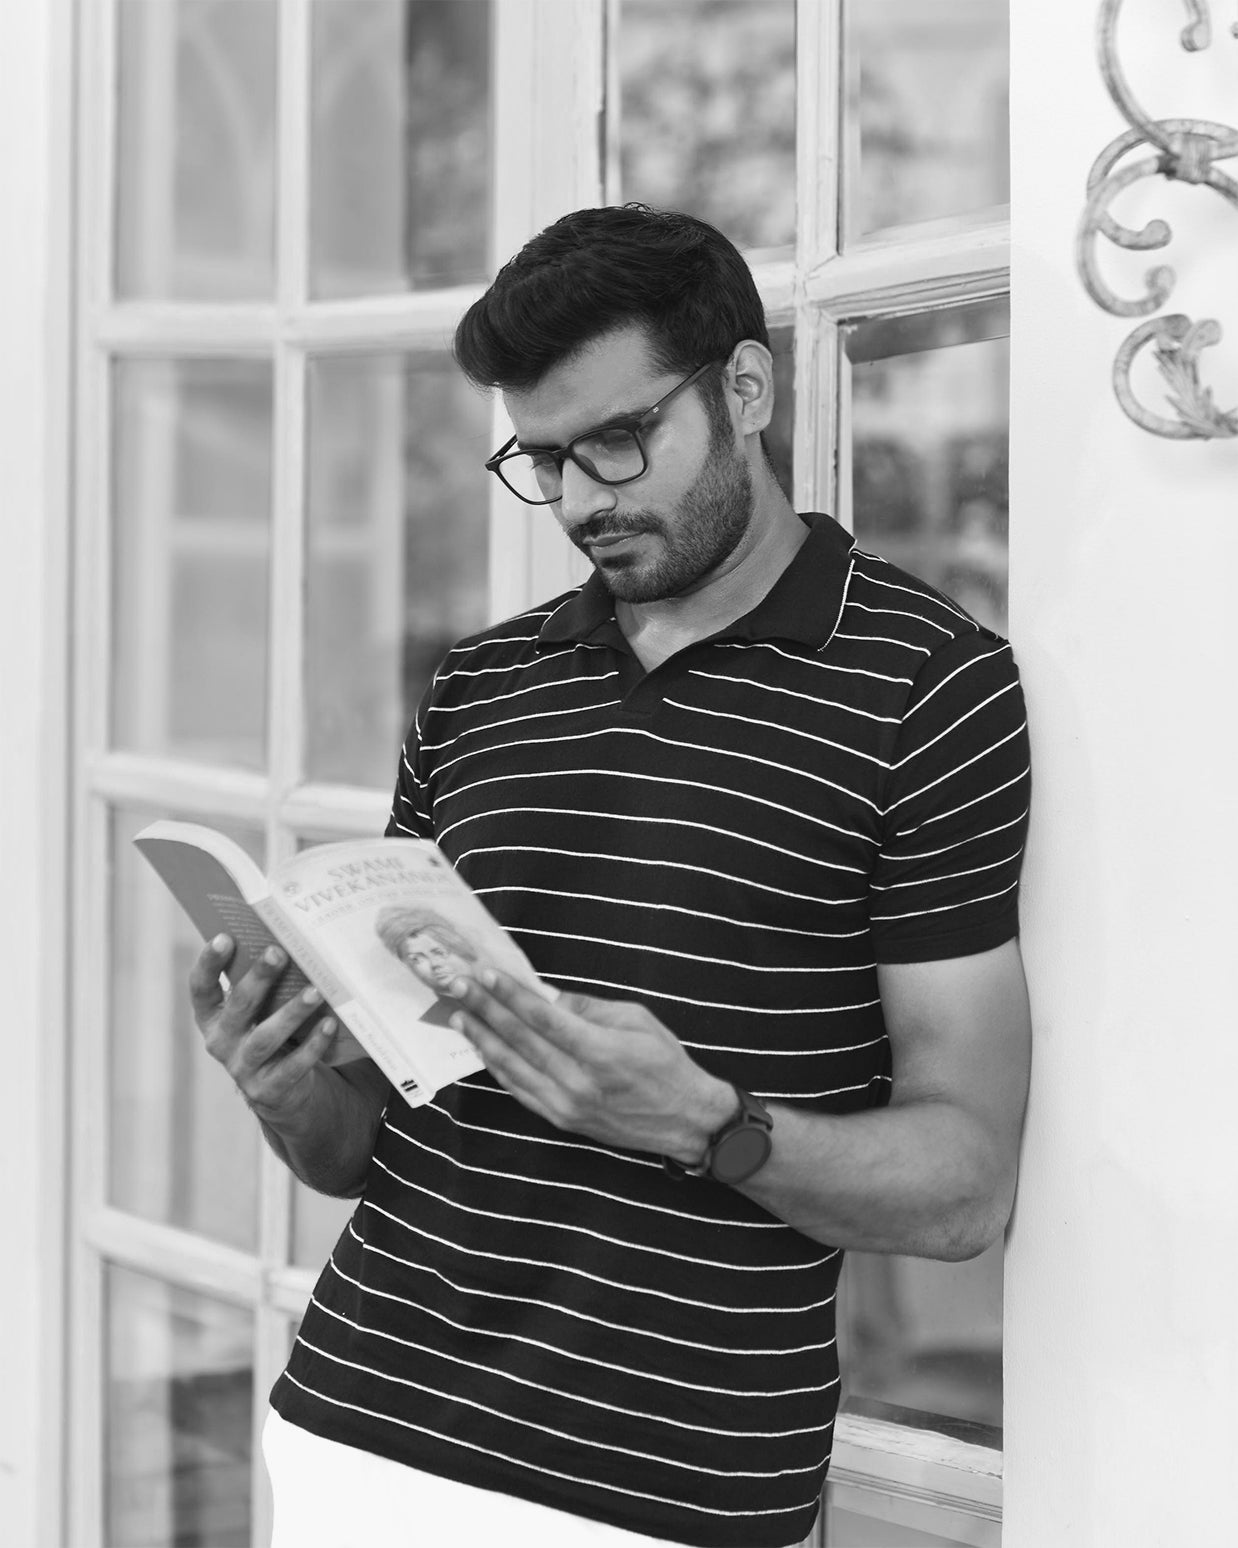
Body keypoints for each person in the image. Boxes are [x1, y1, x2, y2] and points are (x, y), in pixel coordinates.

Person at [189, 203, 1032, 1548]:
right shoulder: (480, 684)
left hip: (661, 1493)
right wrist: (287, 1084)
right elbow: (360, 1149)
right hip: (352, 1425)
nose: (580, 500)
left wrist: (708, 1123)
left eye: (617, 443)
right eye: (542, 462)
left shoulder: (927, 690)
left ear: (742, 390)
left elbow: (963, 1188)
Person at [374, 904, 482, 1026]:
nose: (434, 964)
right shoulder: (433, 1023)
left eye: (439, 952)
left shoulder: (497, 989)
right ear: (407, 966)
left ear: (460, 946)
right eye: (417, 959)